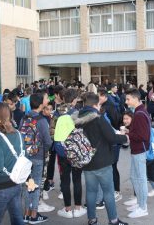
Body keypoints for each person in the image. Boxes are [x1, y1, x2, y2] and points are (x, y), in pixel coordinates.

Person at [72, 92, 129, 225]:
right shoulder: (98, 118)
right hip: (102, 160)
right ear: (96, 104)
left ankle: (92, 220)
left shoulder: (77, 118)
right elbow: (111, 137)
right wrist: (125, 138)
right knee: (108, 192)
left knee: (91, 191)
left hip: (86, 160)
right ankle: (113, 221)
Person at [54, 89, 85, 219]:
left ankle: (67, 209)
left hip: (61, 151)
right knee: (77, 179)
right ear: (73, 100)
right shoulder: (77, 113)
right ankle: (78, 208)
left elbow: (53, 131)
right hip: (75, 151)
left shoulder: (57, 113)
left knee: (65, 180)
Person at [21, 93, 53, 223]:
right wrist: (45, 150)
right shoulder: (42, 120)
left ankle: (26, 214)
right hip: (38, 156)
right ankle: (34, 215)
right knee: (35, 186)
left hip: (26, 156)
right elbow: (48, 141)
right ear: (41, 105)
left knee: (28, 184)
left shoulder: (24, 118)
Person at [125, 88, 149, 218]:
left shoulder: (139, 114)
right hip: (137, 150)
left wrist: (127, 133)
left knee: (140, 179)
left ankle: (143, 207)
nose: (126, 101)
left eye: (128, 99)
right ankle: (139, 202)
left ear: (135, 98)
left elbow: (143, 135)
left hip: (139, 150)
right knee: (135, 177)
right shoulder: (139, 111)